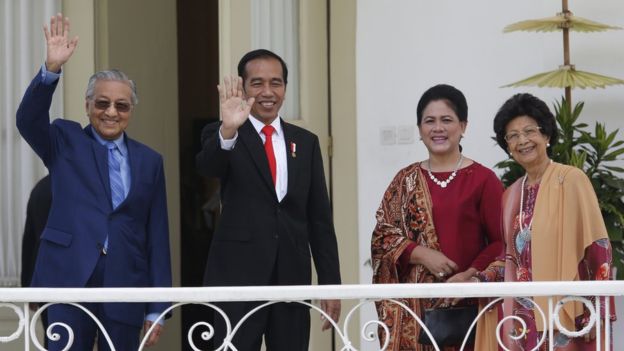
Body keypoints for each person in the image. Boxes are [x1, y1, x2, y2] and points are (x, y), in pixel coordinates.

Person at [16, 14, 172, 350]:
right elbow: (27, 120)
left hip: (126, 282)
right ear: (88, 106)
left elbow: (157, 235)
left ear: (131, 111)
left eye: (121, 105)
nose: (111, 112)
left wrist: (159, 307)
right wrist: (50, 70)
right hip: (68, 277)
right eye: (102, 103)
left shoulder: (150, 161)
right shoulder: (64, 140)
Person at [196, 49, 341, 351]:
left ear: (285, 89)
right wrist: (228, 129)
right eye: (257, 83)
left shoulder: (306, 142)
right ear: (244, 87)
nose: (267, 92)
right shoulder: (224, 132)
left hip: (291, 276)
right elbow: (208, 167)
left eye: (275, 83)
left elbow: (319, 220)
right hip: (237, 277)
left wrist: (330, 284)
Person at [474, 93, 615, 350]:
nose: (523, 141)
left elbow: (599, 246)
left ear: (547, 136)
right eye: (513, 136)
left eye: (530, 131)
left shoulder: (571, 180)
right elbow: (510, 258)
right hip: (523, 319)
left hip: (569, 314)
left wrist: (597, 309)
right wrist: (477, 280)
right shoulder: (510, 195)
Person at [371, 84, 504, 350]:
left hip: (466, 309)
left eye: (447, 120)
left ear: (463, 126)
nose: (438, 128)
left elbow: (501, 242)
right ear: (420, 130)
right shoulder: (404, 180)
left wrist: (468, 276)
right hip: (414, 314)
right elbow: (382, 237)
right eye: (429, 121)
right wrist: (419, 253)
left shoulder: (482, 179)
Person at [21, 175, 52, 341]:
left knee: (52, 336)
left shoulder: (39, 188)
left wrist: (28, 287)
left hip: (42, 278)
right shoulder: (77, 187)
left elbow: (29, 242)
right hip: (73, 279)